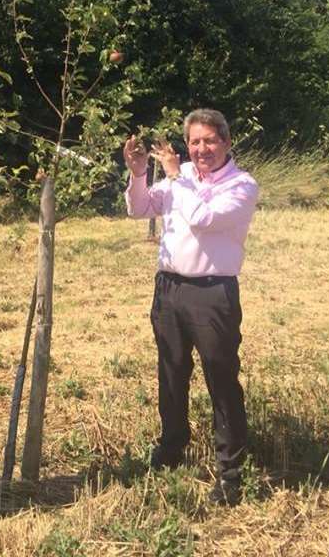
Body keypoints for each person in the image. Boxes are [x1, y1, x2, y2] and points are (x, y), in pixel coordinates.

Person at [123, 108, 258, 507]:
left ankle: (231, 471)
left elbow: (201, 217)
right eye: (194, 142)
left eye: (210, 141)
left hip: (212, 293)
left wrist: (175, 176)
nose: (201, 150)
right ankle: (172, 446)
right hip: (169, 290)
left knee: (221, 379)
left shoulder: (241, 185)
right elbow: (140, 208)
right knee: (171, 371)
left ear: (227, 143)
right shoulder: (180, 180)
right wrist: (137, 173)